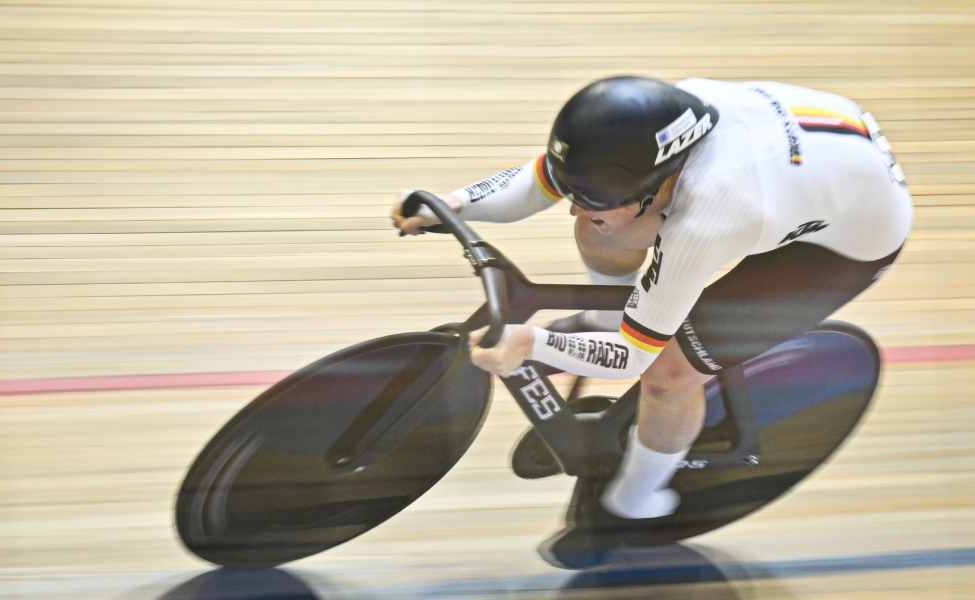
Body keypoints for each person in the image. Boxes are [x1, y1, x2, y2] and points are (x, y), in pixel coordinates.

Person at [391, 75, 912, 521]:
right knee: (603, 230)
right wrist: (456, 204)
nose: (574, 209)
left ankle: (635, 499)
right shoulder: (648, 130)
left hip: (844, 244)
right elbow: (540, 181)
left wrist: (532, 343)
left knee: (669, 374)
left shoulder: (711, 216)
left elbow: (635, 359)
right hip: (812, 173)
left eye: (591, 199)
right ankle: (602, 317)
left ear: (657, 189)